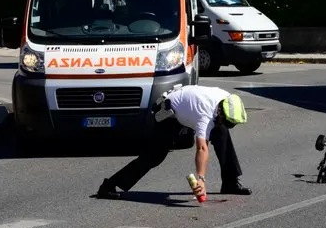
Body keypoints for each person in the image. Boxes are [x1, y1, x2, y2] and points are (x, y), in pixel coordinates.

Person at [96, 84, 252, 200]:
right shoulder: (205, 114)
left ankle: (230, 183)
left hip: (186, 107)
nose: (229, 125)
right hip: (168, 114)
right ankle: (109, 186)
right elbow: (202, 149)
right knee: (154, 156)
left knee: (223, 135)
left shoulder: (226, 99)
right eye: (228, 121)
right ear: (220, 111)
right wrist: (201, 180)